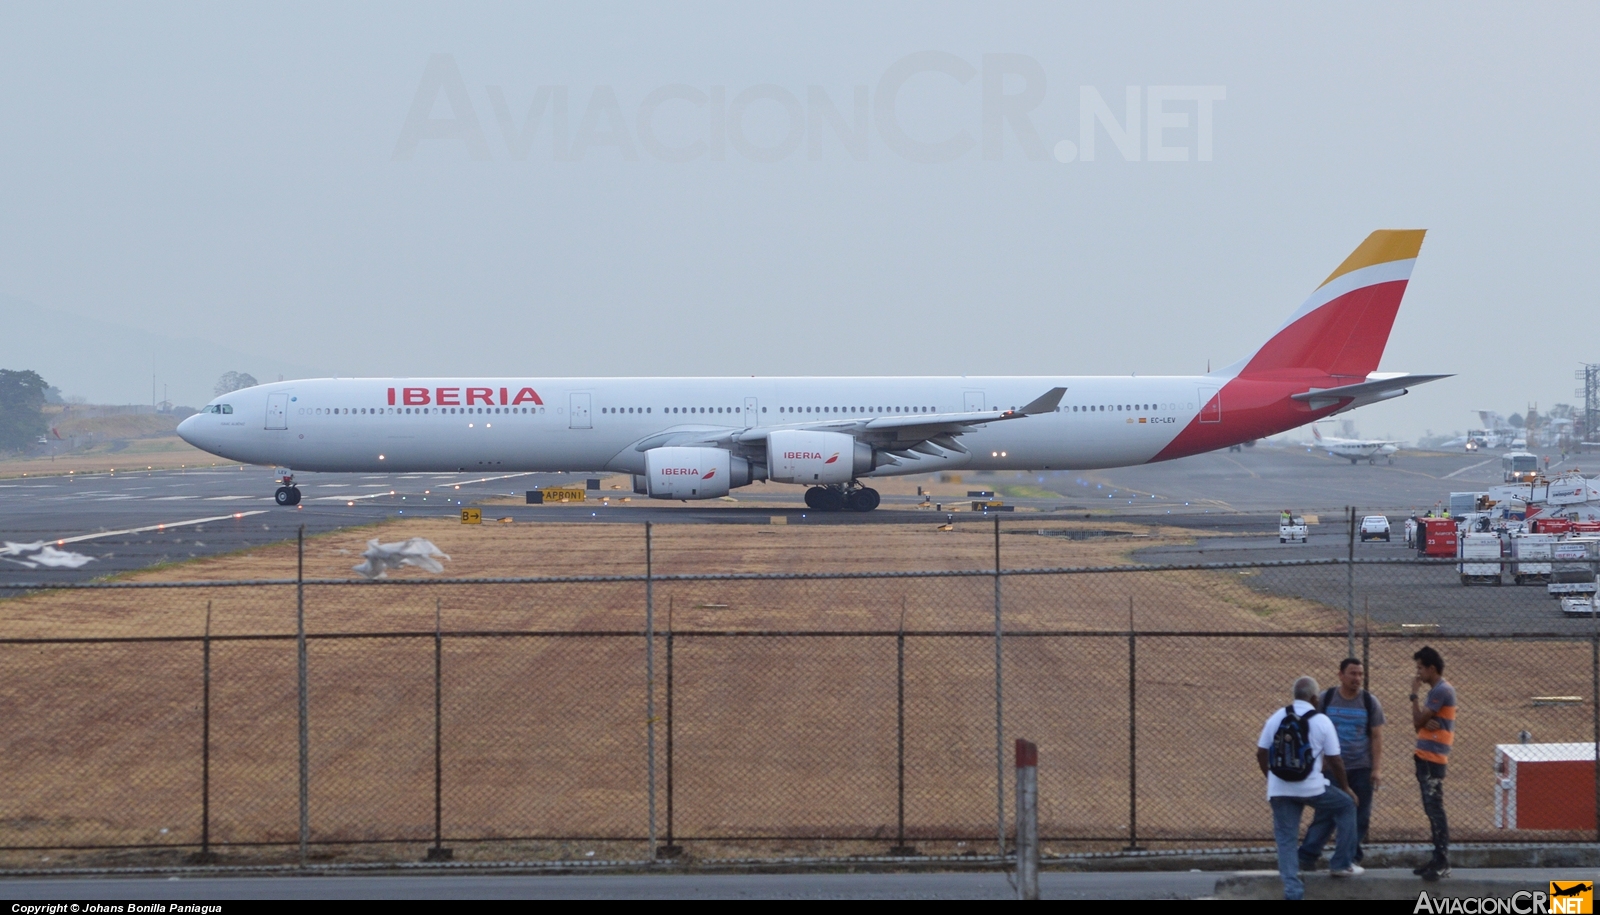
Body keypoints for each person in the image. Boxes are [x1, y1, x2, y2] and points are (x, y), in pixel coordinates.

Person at [1257, 676, 1362, 899]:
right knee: (1346, 806)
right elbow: (1335, 760)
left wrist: (1271, 778)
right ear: (1315, 698)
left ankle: (1293, 893)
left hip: (1280, 789)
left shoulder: (1276, 717)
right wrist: (1346, 788)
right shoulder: (1322, 721)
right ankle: (1341, 863)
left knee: (1286, 839)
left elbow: (1261, 752)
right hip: (1311, 787)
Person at [1300, 659, 1384, 869]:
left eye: (1360, 674)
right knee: (1325, 815)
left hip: (1360, 769)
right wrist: (1319, 762)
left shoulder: (1368, 701)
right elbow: (1313, 732)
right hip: (1332, 770)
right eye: (1352, 673)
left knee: (1360, 815)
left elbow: (1376, 736)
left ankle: (1350, 859)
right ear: (1341, 675)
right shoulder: (1326, 699)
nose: (1357, 678)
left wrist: (1375, 769)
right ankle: (1307, 857)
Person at [1411, 646, 1456, 881]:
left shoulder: (1441, 691)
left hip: (1433, 758)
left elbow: (1417, 721)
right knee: (1431, 809)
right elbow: (1418, 723)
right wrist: (1421, 722)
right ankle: (1437, 858)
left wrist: (1413, 695)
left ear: (1431, 668)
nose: (1418, 673)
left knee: (1435, 809)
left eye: (1420, 668)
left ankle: (1442, 860)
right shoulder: (1436, 692)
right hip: (1425, 757)